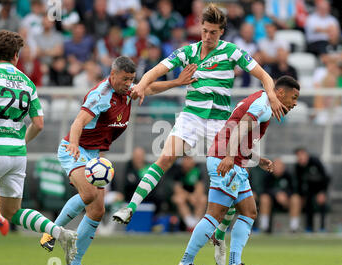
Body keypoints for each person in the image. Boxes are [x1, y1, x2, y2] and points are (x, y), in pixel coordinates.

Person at [112, 3, 287, 225]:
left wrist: (271, 96)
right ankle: (130, 208)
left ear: (221, 31)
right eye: (205, 31)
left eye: (213, 32)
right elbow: (155, 71)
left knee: (231, 176)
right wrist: (140, 86)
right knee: (165, 157)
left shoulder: (231, 51)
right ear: (200, 27)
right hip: (192, 116)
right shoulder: (188, 52)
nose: (208, 36)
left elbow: (265, 76)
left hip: (220, 120)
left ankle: (221, 236)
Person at [39, 56, 198, 265]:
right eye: (124, 79)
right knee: (89, 194)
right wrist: (74, 144)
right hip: (74, 149)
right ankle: (51, 232)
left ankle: (73, 264)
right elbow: (78, 122)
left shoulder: (127, 91)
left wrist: (177, 82)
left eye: (131, 79)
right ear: (112, 75)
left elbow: (149, 88)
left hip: (94, 155)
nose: (128, 83)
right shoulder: (100, 95)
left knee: (97, 211)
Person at [175, 76, 300, 265]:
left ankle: (235, 264)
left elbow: (242, 135)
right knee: (215, 215)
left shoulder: (260, 100)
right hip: (226, 161)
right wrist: (229, 157)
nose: (294, 104)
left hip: (234, 162)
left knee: (250, 211)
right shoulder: (262, 105)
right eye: (293, 98)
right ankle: (185, 264)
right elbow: (240, 127)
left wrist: (258, 160)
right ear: (280, 93)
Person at [0, 30, 77, 262]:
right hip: (16, 153)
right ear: (16, 55)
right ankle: (61, 233)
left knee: (5, 211)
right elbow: (39, 124)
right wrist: (19, 141)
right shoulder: (27, 82)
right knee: (11, 212)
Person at [258, 158, 301, 233]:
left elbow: (294, 189)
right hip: (271, 201)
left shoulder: (289, 176)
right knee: (264, 198)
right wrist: (276, 194)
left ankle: (294, 228)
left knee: (296, 199)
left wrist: (285, 196)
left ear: (283, 167)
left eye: (280, 167)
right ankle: (264, 227)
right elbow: (264, 190)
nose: (278, 169)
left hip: (286, 201)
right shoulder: (268, 176)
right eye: (276, 167)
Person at [293, 147, 330, 232]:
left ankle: (322, 227)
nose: (300, 158)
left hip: (319, 190)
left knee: (322, 203)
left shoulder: (316, 162)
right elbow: (298, 183)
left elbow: (326, 178)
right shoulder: (298, 167)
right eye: (298, 156)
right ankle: (309, 227)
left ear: (306, 155)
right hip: (308, 191)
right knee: (308, 203)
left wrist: (322, 192)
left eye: (302, 155)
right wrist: (300, 195)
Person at [171, 156, 207, 232]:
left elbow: (200, 187)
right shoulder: (178, 171)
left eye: (190, 159)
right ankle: (190, 224)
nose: (188, 162)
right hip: (183, 195)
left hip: (194, 195)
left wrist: (195, 196)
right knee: (179, 199)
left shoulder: (197, 170)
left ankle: (196, 224)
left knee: (203, 199)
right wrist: (189, 197)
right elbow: (178, 189)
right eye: (186, 160)